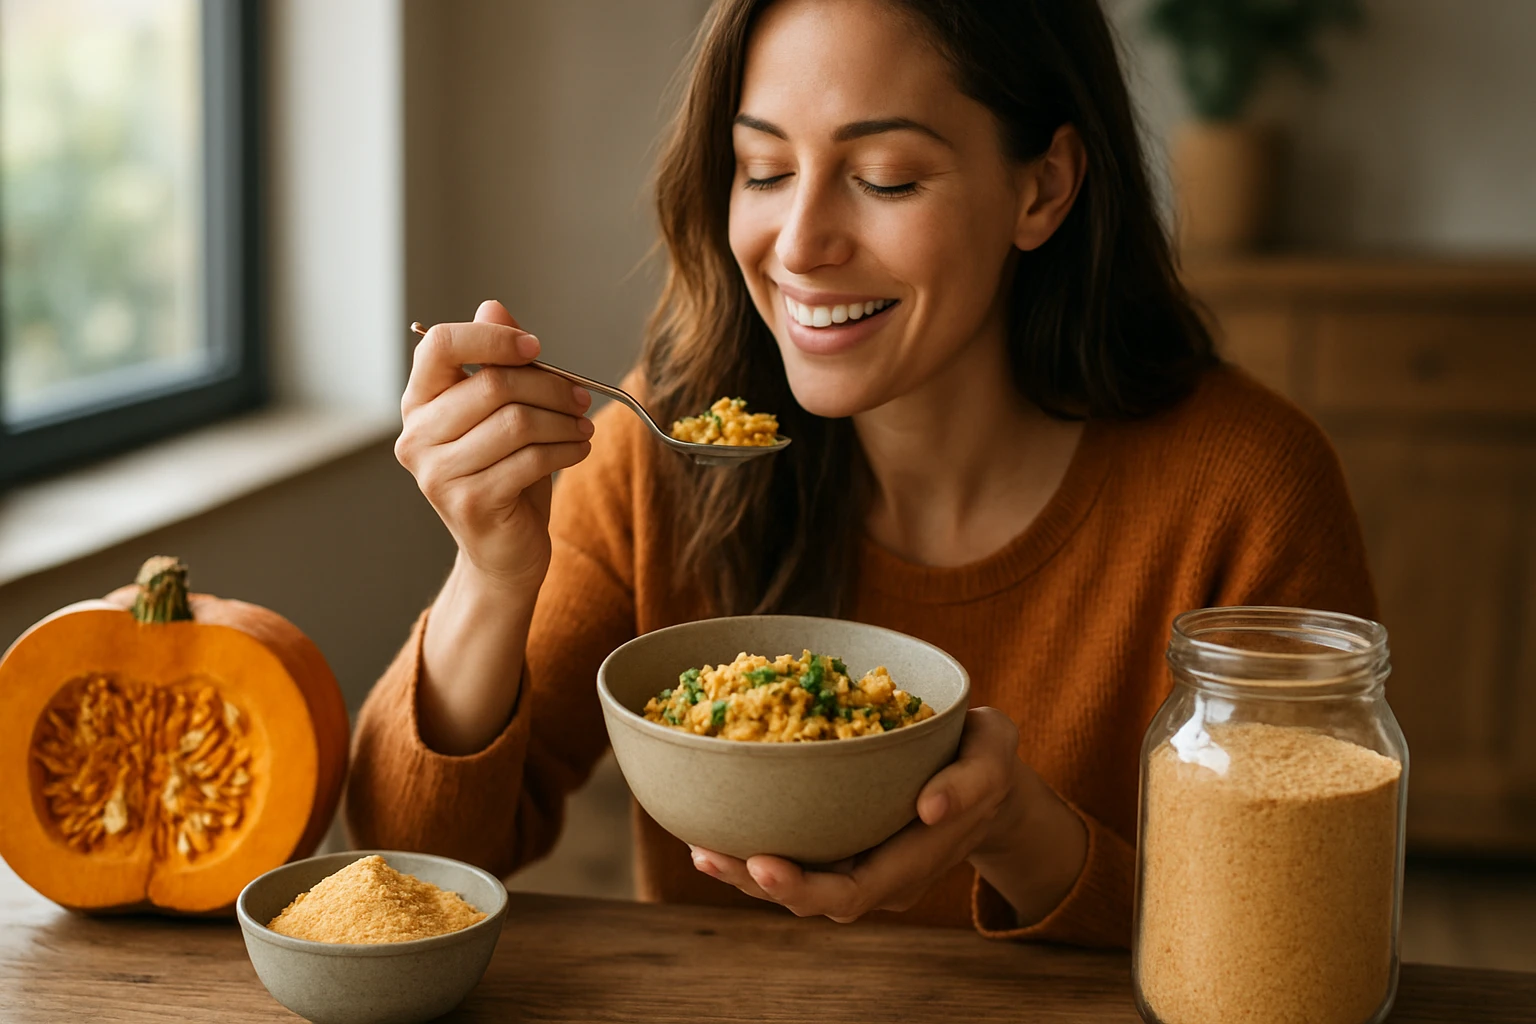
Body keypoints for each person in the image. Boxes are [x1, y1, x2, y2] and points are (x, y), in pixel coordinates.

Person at [347, 0, 1373, 948]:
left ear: (1043, 186)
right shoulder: (662, 451)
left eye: (885, 177)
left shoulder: (1247, 492)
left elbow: (1298, 946)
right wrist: (489, 571)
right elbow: (410, 864)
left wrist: (1020, 832)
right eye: (762, 169)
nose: (799, 245)